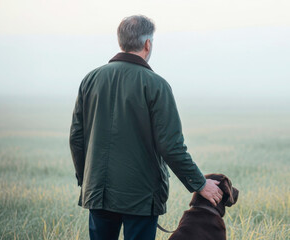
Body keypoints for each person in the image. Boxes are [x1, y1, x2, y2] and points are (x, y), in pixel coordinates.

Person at [69, 15, 223, 240]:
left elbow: (76, 137)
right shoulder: (156, 85)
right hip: (141, 197)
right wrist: (199, 184)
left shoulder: (90, 79)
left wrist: (88, 179)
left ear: (121, 41)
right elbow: (171, 146)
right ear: (147, 44)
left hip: (98, 191)